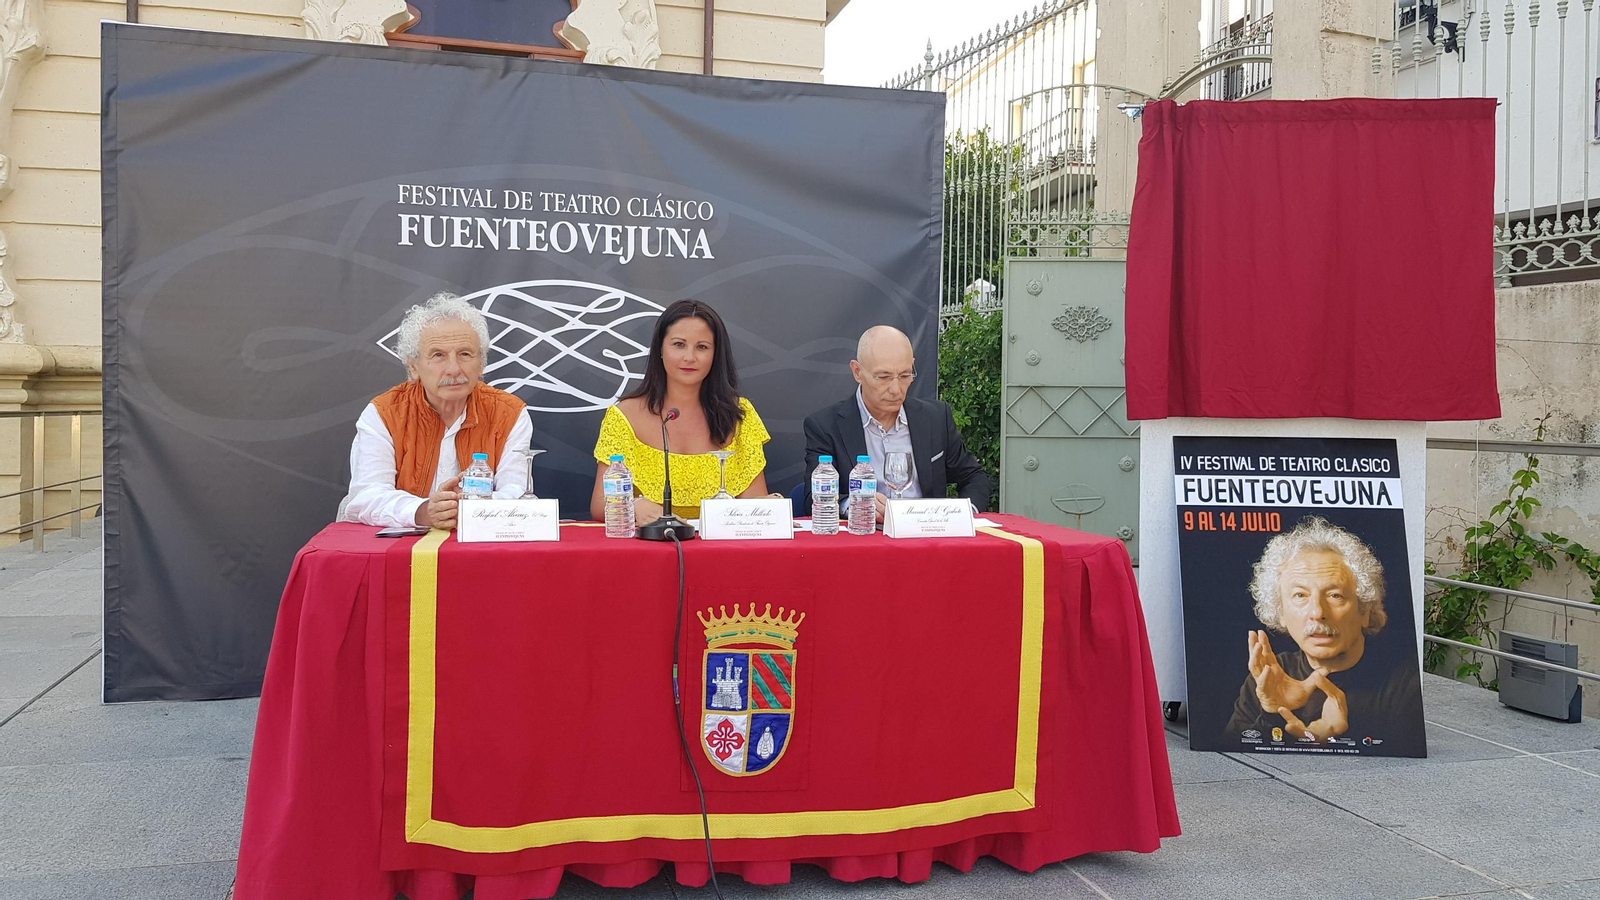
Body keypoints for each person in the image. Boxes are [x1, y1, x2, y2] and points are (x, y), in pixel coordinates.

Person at [1223, 517, 1424, 751]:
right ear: (1281, 613)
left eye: (1335, 595)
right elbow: (1231, 764)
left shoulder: (1404, 683)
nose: (1317, 612)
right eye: (1300, 595)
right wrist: (1273, 713)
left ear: (1365, 610)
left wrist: (1331, 738)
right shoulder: (1270, 677)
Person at [339, 292, 531, 531]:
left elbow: (517, 492)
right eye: (438, 355)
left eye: (465, 354)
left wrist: (470, 511)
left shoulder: (510, 413)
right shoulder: (384, 413)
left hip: (479, 543)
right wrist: (424, 511)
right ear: (414, 367)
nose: (453, 369)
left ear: (481, 364)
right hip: (401, 549)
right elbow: (366, 496)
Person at [590, 299, 778, 522]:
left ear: (716, 354)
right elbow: (600, 504)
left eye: (702, 347)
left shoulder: (740, 413)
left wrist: (768, 507)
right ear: (660, 349)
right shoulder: (624, 415)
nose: (690, 357)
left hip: (722, 550)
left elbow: (754, 505)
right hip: (651, 548)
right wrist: (632, 505)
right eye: (679, 344)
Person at [801, 325, 993, 522]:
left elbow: (975, 476)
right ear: (857, 372)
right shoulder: (825, 426)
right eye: (883, 377)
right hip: (864, 538)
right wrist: (853, 506)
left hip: (927, 536)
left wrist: (963, 514)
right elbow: (813, 498)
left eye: (904, 376)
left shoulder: (935, 418)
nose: (895, 389)